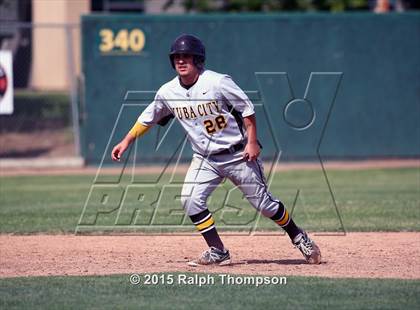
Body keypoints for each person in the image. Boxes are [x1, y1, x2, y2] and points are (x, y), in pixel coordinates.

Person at [111, 34, 321, 266]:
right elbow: (148, 117)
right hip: (205, 159)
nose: (181, 61)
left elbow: (247, 109)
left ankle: (299, 237)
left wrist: (252, 141)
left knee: (265, 205)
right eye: (177, 57)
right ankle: (218, 250)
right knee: (190, 200)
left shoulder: (217, 82)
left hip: (238, 155)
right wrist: (126, 141)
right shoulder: (168, 92)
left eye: (186, 56)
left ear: (198, 59)